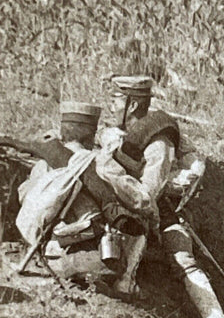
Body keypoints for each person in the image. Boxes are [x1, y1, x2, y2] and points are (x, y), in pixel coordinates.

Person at [107, 75, 224, 318]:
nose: (111, 107)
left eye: (115, 100)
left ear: (131, 106)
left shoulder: (158, 143)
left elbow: (148, 195)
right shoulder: (122, 131)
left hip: (163, 209)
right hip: (137, 200)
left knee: (182, 258)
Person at [16, 101, 156, 289]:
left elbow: (25, 198)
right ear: (91, 136)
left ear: (63, 132)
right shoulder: (99, 162)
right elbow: (139, 200)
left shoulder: (42, 164)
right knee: (141, 219)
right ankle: (125, 283)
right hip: (96, 261)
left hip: (48, 256)